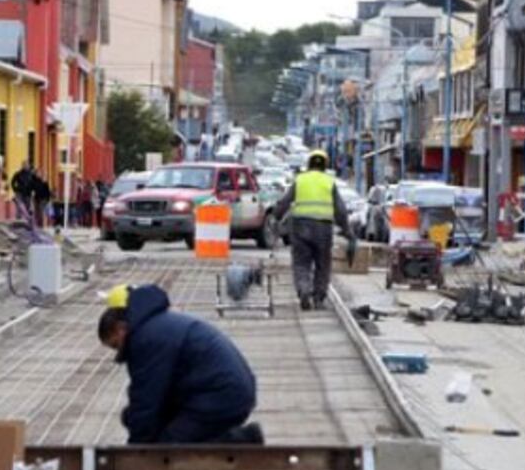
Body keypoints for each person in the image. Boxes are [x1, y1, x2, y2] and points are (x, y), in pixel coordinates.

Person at [97, 284, 264, 445]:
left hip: (222, 395)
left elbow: (146, 399)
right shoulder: (155, 325)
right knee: (135, 419)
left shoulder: (146, 339)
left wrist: (137, 451)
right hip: (221, 390)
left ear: (121, 328)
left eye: (115, 345)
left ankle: (242, 441)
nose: (118, 351)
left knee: (168, 453)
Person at [274, 149, 356, 311]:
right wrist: (347, 230)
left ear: (309, 164)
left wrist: (276, 216)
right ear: (325, 165)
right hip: (323, 229)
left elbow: (284, 202)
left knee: (301, 263)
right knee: (322, 264)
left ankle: (304, 290)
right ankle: (318, 298)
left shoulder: (300, 180)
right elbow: (340, 210)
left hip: (300, 227)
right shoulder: (329, 182)